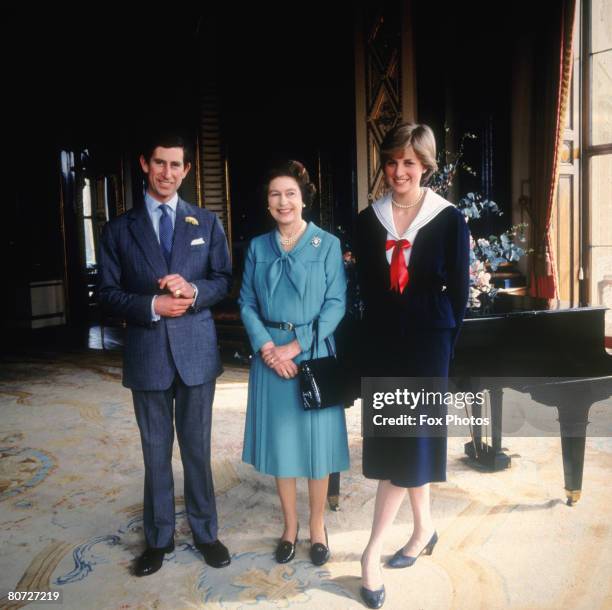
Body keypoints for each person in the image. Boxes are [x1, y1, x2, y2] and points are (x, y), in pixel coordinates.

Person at [96, 133, 233, 577]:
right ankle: (158, 539)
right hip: (148, 355)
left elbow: (222, 280)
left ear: (187, 170)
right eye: (159, 163)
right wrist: (152, 306)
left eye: (176, 165)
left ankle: (206, 532)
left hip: (196, 354)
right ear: (144, 164)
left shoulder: (207, 224)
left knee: (197, 449)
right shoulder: (118, 229)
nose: (167, 173)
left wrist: (193, 291)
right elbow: (107, 294)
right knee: (155, 454)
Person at [356, 123, 470, 608]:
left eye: (409, 162)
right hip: (384, 344)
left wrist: (441, 348)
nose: (399, 171)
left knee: (406, 446)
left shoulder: (449, 220)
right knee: (400, 446)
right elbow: (365, 290)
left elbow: (460, 295)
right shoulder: (368, 220)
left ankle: (370, 553)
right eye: (392, 161)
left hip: (427, 345)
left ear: (425, 166)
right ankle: (423, 529)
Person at [239, 160, 349, 566]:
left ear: (304, 199)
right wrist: (269, 348)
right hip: (269, 357)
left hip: (313, 354)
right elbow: (246, 303)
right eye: (274, 194)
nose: (282, 201)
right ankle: (290, 526)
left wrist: (295, 346)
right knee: (284, 447)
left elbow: (337, 304)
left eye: (290, 193)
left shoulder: (328, 245)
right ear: (267, 203)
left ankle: (318, 526)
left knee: (317, 448)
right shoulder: (256, 248)